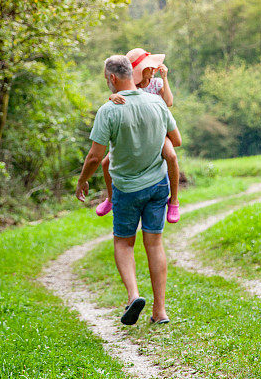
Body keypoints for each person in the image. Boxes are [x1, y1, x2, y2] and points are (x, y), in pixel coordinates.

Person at [75, 54, 182, 325]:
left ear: (112, 78)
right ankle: (160, 311)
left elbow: (95, 157)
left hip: (125, 189)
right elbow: (175, 139)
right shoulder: (157, 102)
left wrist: (82, 180)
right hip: (158, 185)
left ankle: (134, 295)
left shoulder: (109, 110)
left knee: (124, 242)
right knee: (154, 243)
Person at [96, 48, 180, 223]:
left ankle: (174, 200)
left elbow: (169, 102)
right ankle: (111, 198)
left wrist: (164, 79)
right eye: (150, 68)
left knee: (171, 155)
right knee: (106, 163)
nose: (153, 70)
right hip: (137, 129)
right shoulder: (130, 86)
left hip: (157, 129)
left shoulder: (156, 83)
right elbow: (120, 96)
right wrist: (112, 97)